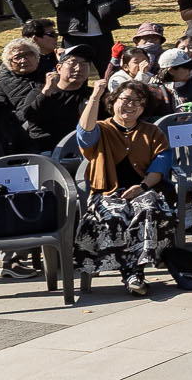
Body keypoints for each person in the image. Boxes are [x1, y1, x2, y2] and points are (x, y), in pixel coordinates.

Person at [68, 80, 176, 296]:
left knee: (148, 209)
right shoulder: (101, 129)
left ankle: (133, 272)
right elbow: (84, 133)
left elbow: (160, 166)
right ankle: (133, 273)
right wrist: (95, 96)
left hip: (143, 189)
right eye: (125, 100)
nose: (131, 105)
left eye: (138, 102)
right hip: (106, 192)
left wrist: (142, 186)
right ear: (113, 101)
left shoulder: (153, 132)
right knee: (115, 214)